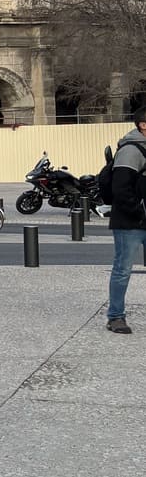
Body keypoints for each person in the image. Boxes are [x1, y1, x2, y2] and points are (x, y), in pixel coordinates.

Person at [104, 108, 146, 334]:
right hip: (130, 222)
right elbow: (120, 188)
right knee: (123, 270)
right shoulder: (131, 150)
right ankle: (116, 317)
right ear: (143, 125)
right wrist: (139, 212)